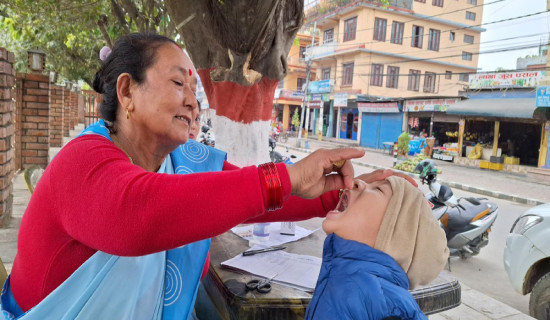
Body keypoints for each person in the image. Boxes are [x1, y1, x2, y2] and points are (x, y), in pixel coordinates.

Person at [0, 33, 406, 319]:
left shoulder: (184, 160)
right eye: (178, 83)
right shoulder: (81, 161)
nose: (193, 103)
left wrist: (339, 193)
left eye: (195, 90)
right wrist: (288, 176)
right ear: (126, 92)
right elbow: (138, 215)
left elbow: (258, 200)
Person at [305, 176, 449, 320]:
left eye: (378, 189)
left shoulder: (385, 307)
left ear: (395, 235)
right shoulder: (349, 280)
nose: (357, 182)